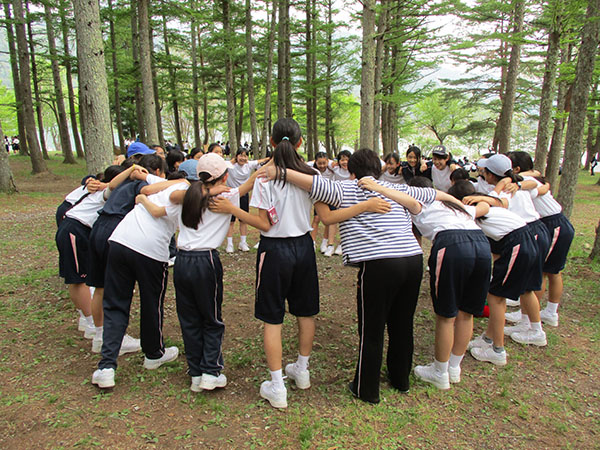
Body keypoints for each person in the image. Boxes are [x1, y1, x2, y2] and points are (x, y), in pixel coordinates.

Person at [258, 147, 465, 404]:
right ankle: (400, 380)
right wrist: (464, 203)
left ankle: (366, 389)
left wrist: (277, 170)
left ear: (351, 171)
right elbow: (437, 194)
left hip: (379, 264)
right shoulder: (397, 188)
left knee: (372, 328)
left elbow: (307, 181)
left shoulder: (346, 188)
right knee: (403, 324)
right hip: (412, 259)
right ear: (378, 169)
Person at [362, 176, 490, 390]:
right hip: (481, 244)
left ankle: (439, 372)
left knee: (446, 315)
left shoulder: (422, 203)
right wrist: (477, 199)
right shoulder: (454, 205)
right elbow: (484, 207)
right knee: (466, 312)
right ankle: (454, 368)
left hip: (453, 246)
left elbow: (409, 201)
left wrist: (376, 187)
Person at [91, 170, 189, 389]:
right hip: (151, 251)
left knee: (115, 304)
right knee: (151, 303)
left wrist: (149, 195)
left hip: (120, 240)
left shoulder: (166, 184)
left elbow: (143, 184)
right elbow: (143, 180)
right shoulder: (188, 190)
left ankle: (106, 366)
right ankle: (153, 353)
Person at [171, 153, 259, 392]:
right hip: (205, 261)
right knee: (211, 317)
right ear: (225, 176)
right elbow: (248, 184)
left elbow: (173, 195)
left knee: (189, 318)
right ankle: (210, 371)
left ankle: (196, 372)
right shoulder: (227, 195)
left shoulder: (187, 194)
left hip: (182, 261)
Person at [449, 181, 539, 366]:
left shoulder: (480, 211)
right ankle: (489, 338)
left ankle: (498, 350)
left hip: (518, 244)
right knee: (497, 295)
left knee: (496, 298)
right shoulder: (489, 207)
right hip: (521, 243)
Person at [476, 154, 550, 347]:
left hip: (524, 234)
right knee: (525, 288)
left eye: (484, 172)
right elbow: (536, 181)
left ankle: (520, 335)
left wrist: (499, 188)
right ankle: (530, 327)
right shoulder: (517, 182)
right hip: (536, 231)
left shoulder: (505, 190)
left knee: (500, 294)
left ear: (491, 175)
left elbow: (501, 202)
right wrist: (512, 181)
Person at [504, 151, 574, 328]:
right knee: (546, 271)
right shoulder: (527, 179)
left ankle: (540, 315)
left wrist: (520, 182)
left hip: (554, 224)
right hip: (552, 224)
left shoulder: (526, 182)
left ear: (516, 168)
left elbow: (541, 187)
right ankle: (532, 313)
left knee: (546, 271)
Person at [225, 148, 269, 253]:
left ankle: (243, 242)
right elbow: (222, 165)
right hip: (231, 194)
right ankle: (229, 244)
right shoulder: (230, 165)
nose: (243, 158)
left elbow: (260, 161)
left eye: (245, 156)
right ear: (236, 156)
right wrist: (232, 161)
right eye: (240, 155)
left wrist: (271, 157)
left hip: (243, 195)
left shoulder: (249, 164)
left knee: (243, 220)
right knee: (230, 221)